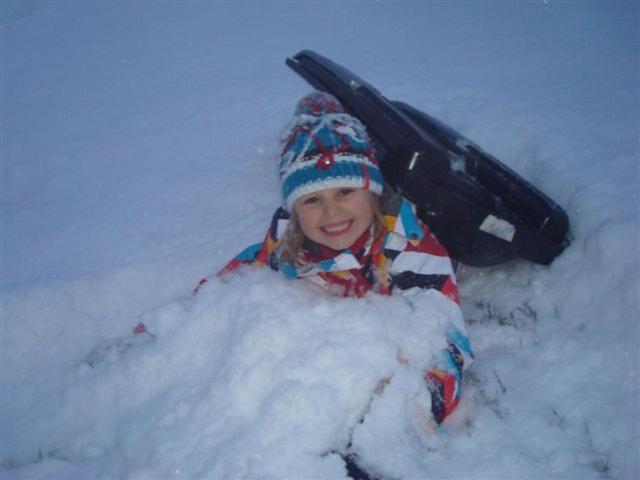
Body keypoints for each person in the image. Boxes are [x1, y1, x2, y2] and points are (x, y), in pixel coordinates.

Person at [196, 91, 473, 427]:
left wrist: (408, 418)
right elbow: (226, 285)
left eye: (345, 191)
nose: (331, 212)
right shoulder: (286, 245)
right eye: (312, 200)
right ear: (295, 210)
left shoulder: (410, 249)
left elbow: (443, 343)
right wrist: (175, 329)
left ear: (371, 191)